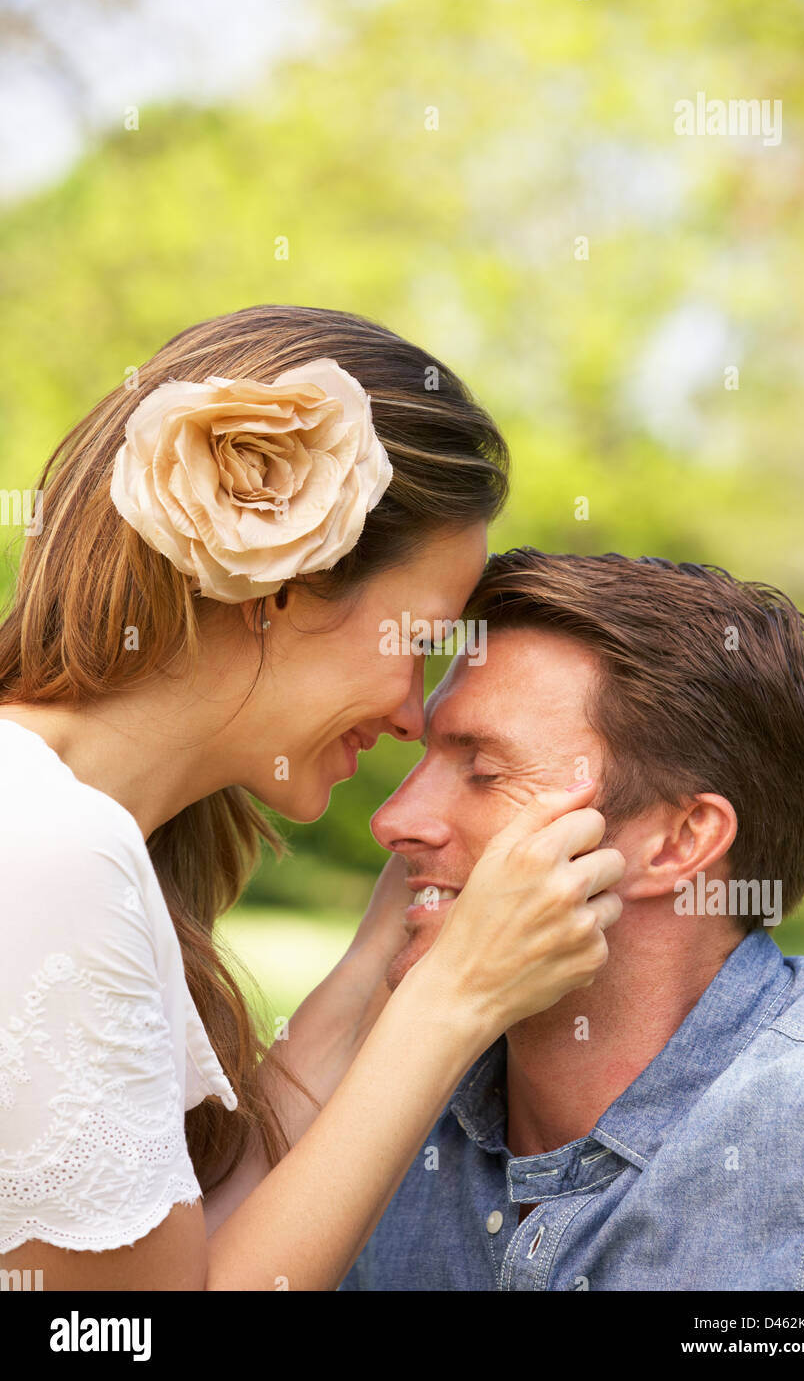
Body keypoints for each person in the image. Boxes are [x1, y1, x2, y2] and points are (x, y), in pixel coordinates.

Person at [0, 311, 625, 1290]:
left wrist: (388, 958)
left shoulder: (73, 830)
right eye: (418, 644)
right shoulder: (43, 850)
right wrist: (454, 1000)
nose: (414, 716)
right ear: (279, 585)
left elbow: (200, 1248)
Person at [340, 549, 804, 1292]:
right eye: (424, 760)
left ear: (680, 842)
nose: (395, 820)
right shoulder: (378, 1111)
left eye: (485, 773)